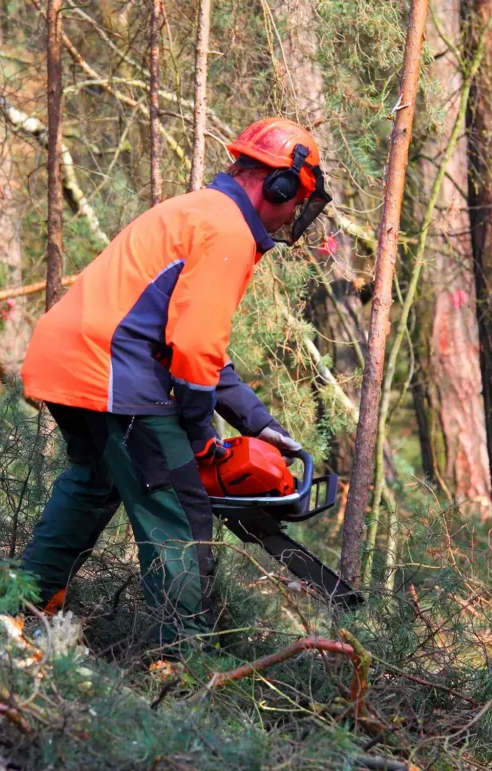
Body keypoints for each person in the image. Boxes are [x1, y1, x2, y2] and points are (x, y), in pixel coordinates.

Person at [19, 117, 331, 647]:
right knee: (182, 512)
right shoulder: (227, 229)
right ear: (276, 185)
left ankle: (17, 609)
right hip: (114, 372)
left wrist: (261, 425)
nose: (293, 214)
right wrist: (198, 435)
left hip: (66, 361)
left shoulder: (200, 212)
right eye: (294, 199)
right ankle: (182, 657)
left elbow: (194, 346)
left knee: (93, 483)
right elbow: (194, 350)